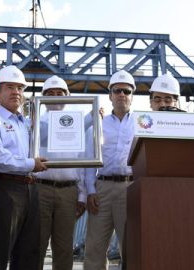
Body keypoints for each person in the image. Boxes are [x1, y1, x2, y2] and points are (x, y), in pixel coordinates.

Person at [0, 65, 48, 270]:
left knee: (29, 253)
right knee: (1, 252)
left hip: (30, 188)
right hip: (4, 187)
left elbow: (62, 131)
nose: (16, 92)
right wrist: (30, 164)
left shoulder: (28, 124)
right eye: (10, 87)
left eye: (20, 88)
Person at [84, 70, 136, 270]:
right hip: (102, 189)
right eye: (117, 91)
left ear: (132, 95)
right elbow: (90, 160)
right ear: (110, 95)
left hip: (131, 189)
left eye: (126, 91)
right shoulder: (99, 125)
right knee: (95, 247)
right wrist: (90, 190)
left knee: (131, 247)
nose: (122, 94)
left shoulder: (143, 123)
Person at [35, 75, 87, 270]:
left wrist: (82, 194)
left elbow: (83, 161)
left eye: (60, 93)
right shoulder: (35, 123)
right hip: (41, 190)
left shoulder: (80, 124)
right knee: (37, 245)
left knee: (64, 247)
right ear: (43, 98)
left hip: (68, 192)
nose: (55, 98)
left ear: (67, 97)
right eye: (50, 94)